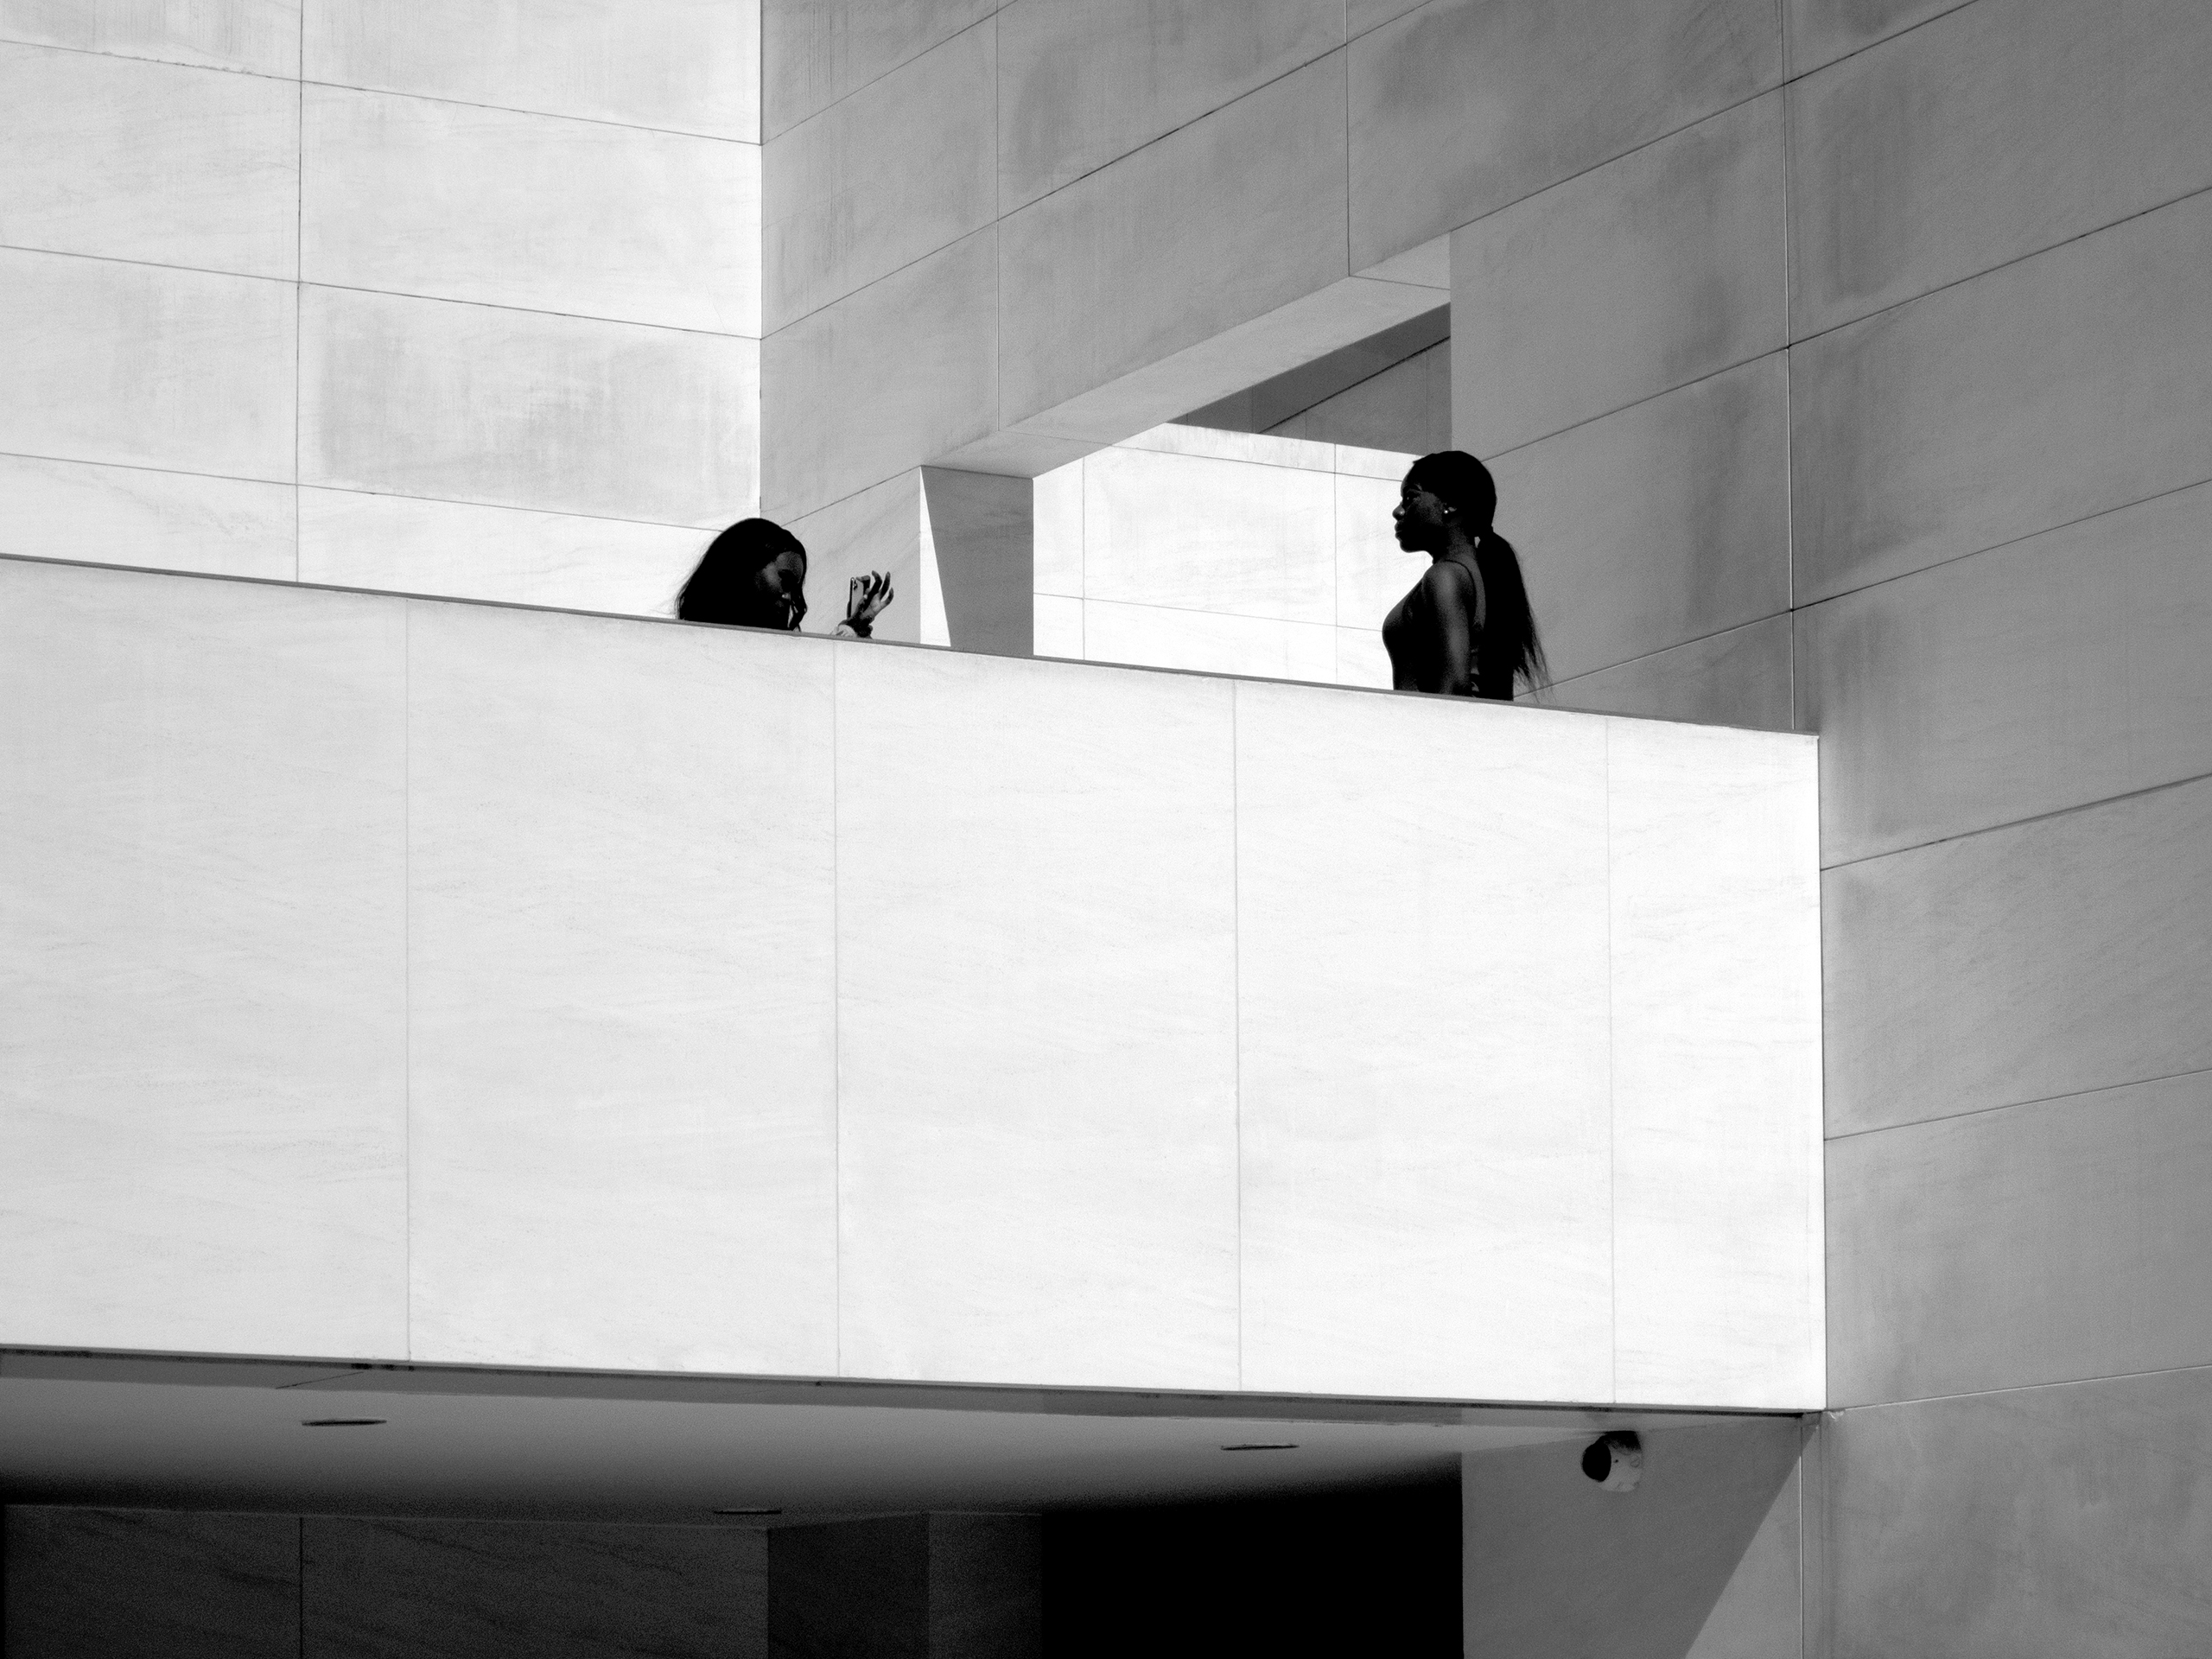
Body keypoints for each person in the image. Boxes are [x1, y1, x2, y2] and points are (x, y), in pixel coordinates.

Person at [1383, 450, 1546, 700]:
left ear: (1450, 504)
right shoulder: (1472, 574)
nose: (1398, 511)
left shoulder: (1445, 576)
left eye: (1410, 498)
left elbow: (1455, 686)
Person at [676, 518, 893, 638]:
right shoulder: (680, 645)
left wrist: (856, 625)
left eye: (795, 588)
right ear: (744, 567)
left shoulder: (785, 654)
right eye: (784, 579)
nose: (789, 597)